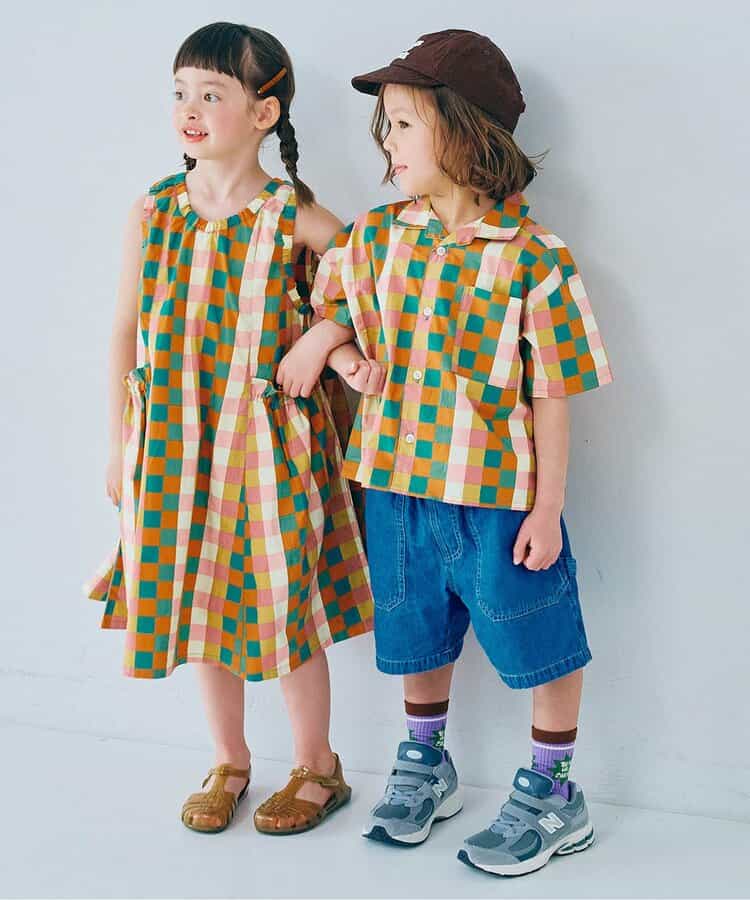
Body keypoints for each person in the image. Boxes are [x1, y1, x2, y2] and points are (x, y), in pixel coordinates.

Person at [282, 29, 613, 876]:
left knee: (536, 631)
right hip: (395, 485)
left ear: (465, 133)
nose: (385, 144)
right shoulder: (377, 238)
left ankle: (555, 789)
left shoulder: (535, 259)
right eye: (385, 126)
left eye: (402, 124)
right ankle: (427, 763)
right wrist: (336, 352)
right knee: (415, 629)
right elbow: (335, 306)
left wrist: (546, 507)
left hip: (496, 497)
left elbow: (554, 390)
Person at [85, 21, 375, 837]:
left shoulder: (295, 217)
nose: (189, 108)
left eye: (212, 93)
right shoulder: (154, 211)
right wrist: (117, 443)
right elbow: (123, 329)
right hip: (172, 440)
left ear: (262, 112)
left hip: (268, 445)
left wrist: (324, 337)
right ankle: (230, 759)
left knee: (284, 607)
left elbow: (372, 284)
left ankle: (318, 765)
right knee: (200, 603)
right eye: (180, 92)